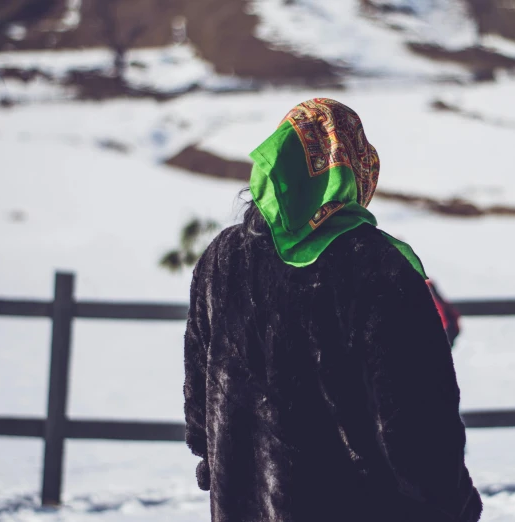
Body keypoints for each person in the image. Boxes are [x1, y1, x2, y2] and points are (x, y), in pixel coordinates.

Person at [183, 98, 482, 522]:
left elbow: (200, 395)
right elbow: (418, 422)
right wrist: (451, 504)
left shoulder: (221, 259)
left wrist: (215, 462)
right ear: (356, 167)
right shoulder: (378, 266)